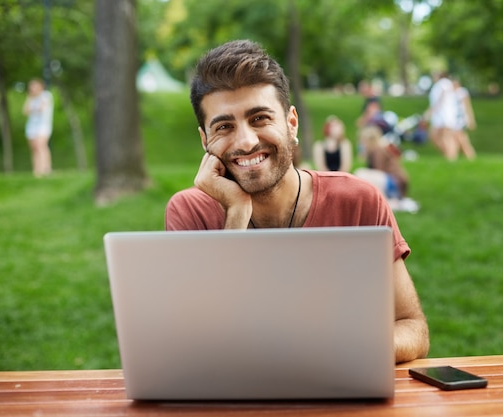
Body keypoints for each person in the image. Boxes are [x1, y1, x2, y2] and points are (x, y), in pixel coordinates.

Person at [165, 40, 429, 363]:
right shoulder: (189, 212)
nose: (246, 141)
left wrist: (336, 352)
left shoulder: (359, 201)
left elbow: (411, 327)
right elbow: (200, 348)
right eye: (224, 126)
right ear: (205, 140)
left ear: (291, 123)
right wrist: (235, 215)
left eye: (260, 118)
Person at [354, 125, 418, 213]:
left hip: (394, 183)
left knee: (360, 173)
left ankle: (384, 201)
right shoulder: (379, 149)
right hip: (393, 182)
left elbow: (378, 172)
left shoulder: (378, 150)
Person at [22, 78, 54, 177]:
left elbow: (41, 109)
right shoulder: (31, 98)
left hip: (43, 126)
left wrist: (33, 108)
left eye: (34, 86)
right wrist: (29, 98)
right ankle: (36, 170)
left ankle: (46, 169)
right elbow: (25, 111)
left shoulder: (46, 96)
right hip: (31, 126)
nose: (32, 89)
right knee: (34, 148)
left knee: (41, 146)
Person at [424, 71, 458, 161]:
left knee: (445, 137)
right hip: (439, 116)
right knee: (435, 136)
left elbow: (442, 98)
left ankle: (450, 157)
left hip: (444, 115)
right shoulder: (438, 85)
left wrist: (431, 111)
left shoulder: (444, 83)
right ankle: (449, 156)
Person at [452, 78, 477, 160]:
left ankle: (469, 156)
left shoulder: (462, 92)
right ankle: (453, 157)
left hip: (460, 119)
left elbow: (467, 107)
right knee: (456, 139)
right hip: (453, 119)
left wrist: (471, 119)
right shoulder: (450, 93)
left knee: (461, 138)